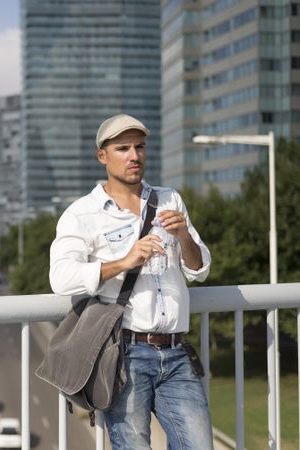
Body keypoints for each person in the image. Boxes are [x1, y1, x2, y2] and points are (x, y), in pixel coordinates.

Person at [49, 114, 214, 449]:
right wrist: (125, 262)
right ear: (102, 156)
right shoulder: (82, 214)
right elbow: (61, 278)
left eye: (139, 147)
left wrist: (183, 236)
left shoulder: (170, 200)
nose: (134, 155)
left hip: (176, 352)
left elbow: (199, 269)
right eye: (122, 148)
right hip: (126, 355)